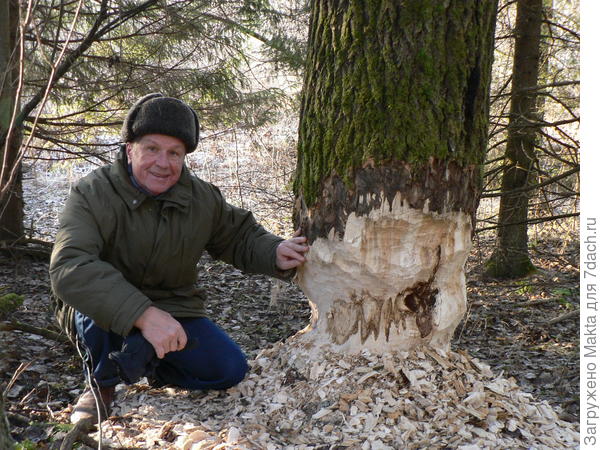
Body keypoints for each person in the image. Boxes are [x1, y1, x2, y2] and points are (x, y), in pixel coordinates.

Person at [49, 93, 309, 425]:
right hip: (103, 309)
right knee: (95, 313)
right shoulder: (92, 192)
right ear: (130, 149)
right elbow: (71, 267)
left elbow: (237, 235)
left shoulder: (200, 197)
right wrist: (142, 315)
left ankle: (143, 356)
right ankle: (102, 384)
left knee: (227, 369)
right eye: (152, 149)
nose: (163, 162)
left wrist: (273, 251)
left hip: (173, 304)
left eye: (175, 153)